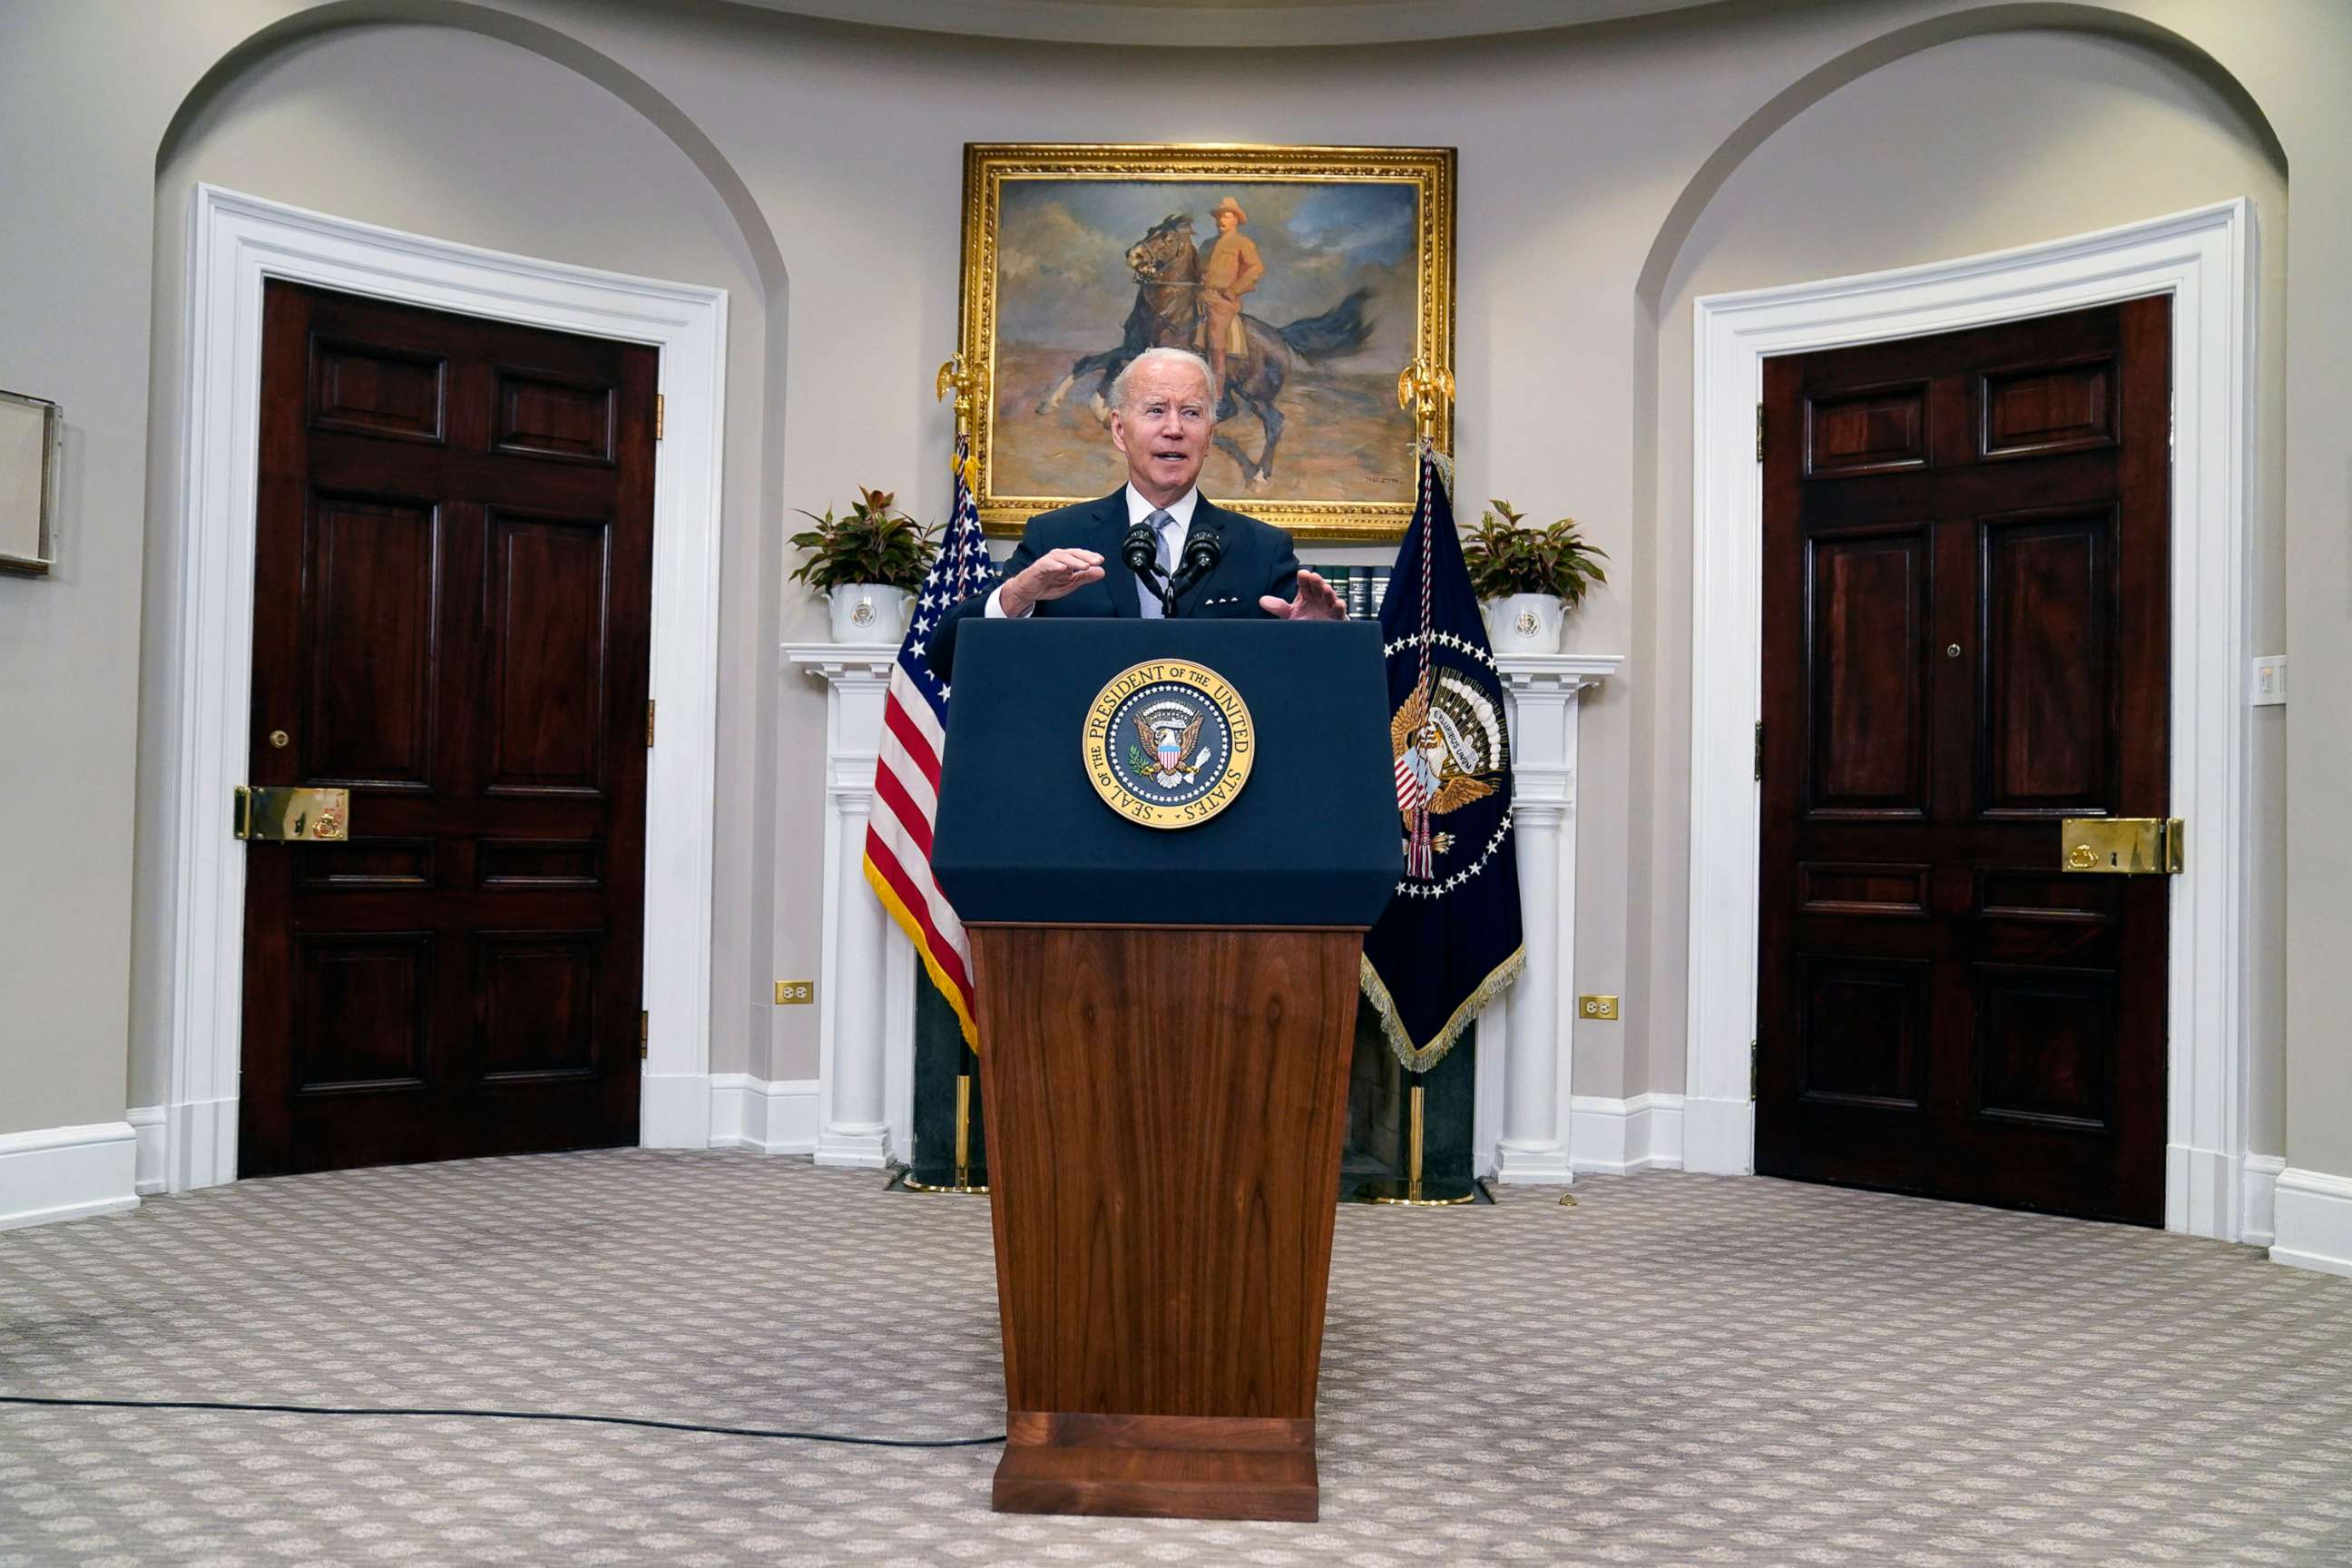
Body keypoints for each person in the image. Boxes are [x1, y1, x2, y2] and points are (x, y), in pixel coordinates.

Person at [925, 347, 1341, 680]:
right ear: (1120, 430)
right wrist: (1016, 597)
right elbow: (945, 659)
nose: (1174, 428)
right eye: (1156, 410)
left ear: (1210, 436)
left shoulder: (1262, 549)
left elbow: (1309, 684)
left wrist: (1321, 641)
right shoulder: (1055, 537)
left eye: (1192, 413)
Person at [1196, 197, 1263, 407]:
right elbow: (1198, 269)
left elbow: (1255, 269)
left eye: (1226, 215)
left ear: (1236, 219)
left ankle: (1216, 394)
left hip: (1222, 301)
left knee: (1215, 338)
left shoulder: (1243, 243)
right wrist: (1199, 277)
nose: (1220, 220)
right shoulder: (1206, 244)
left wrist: (1234, 289)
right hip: (1200, 295)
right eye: (1218, 216)